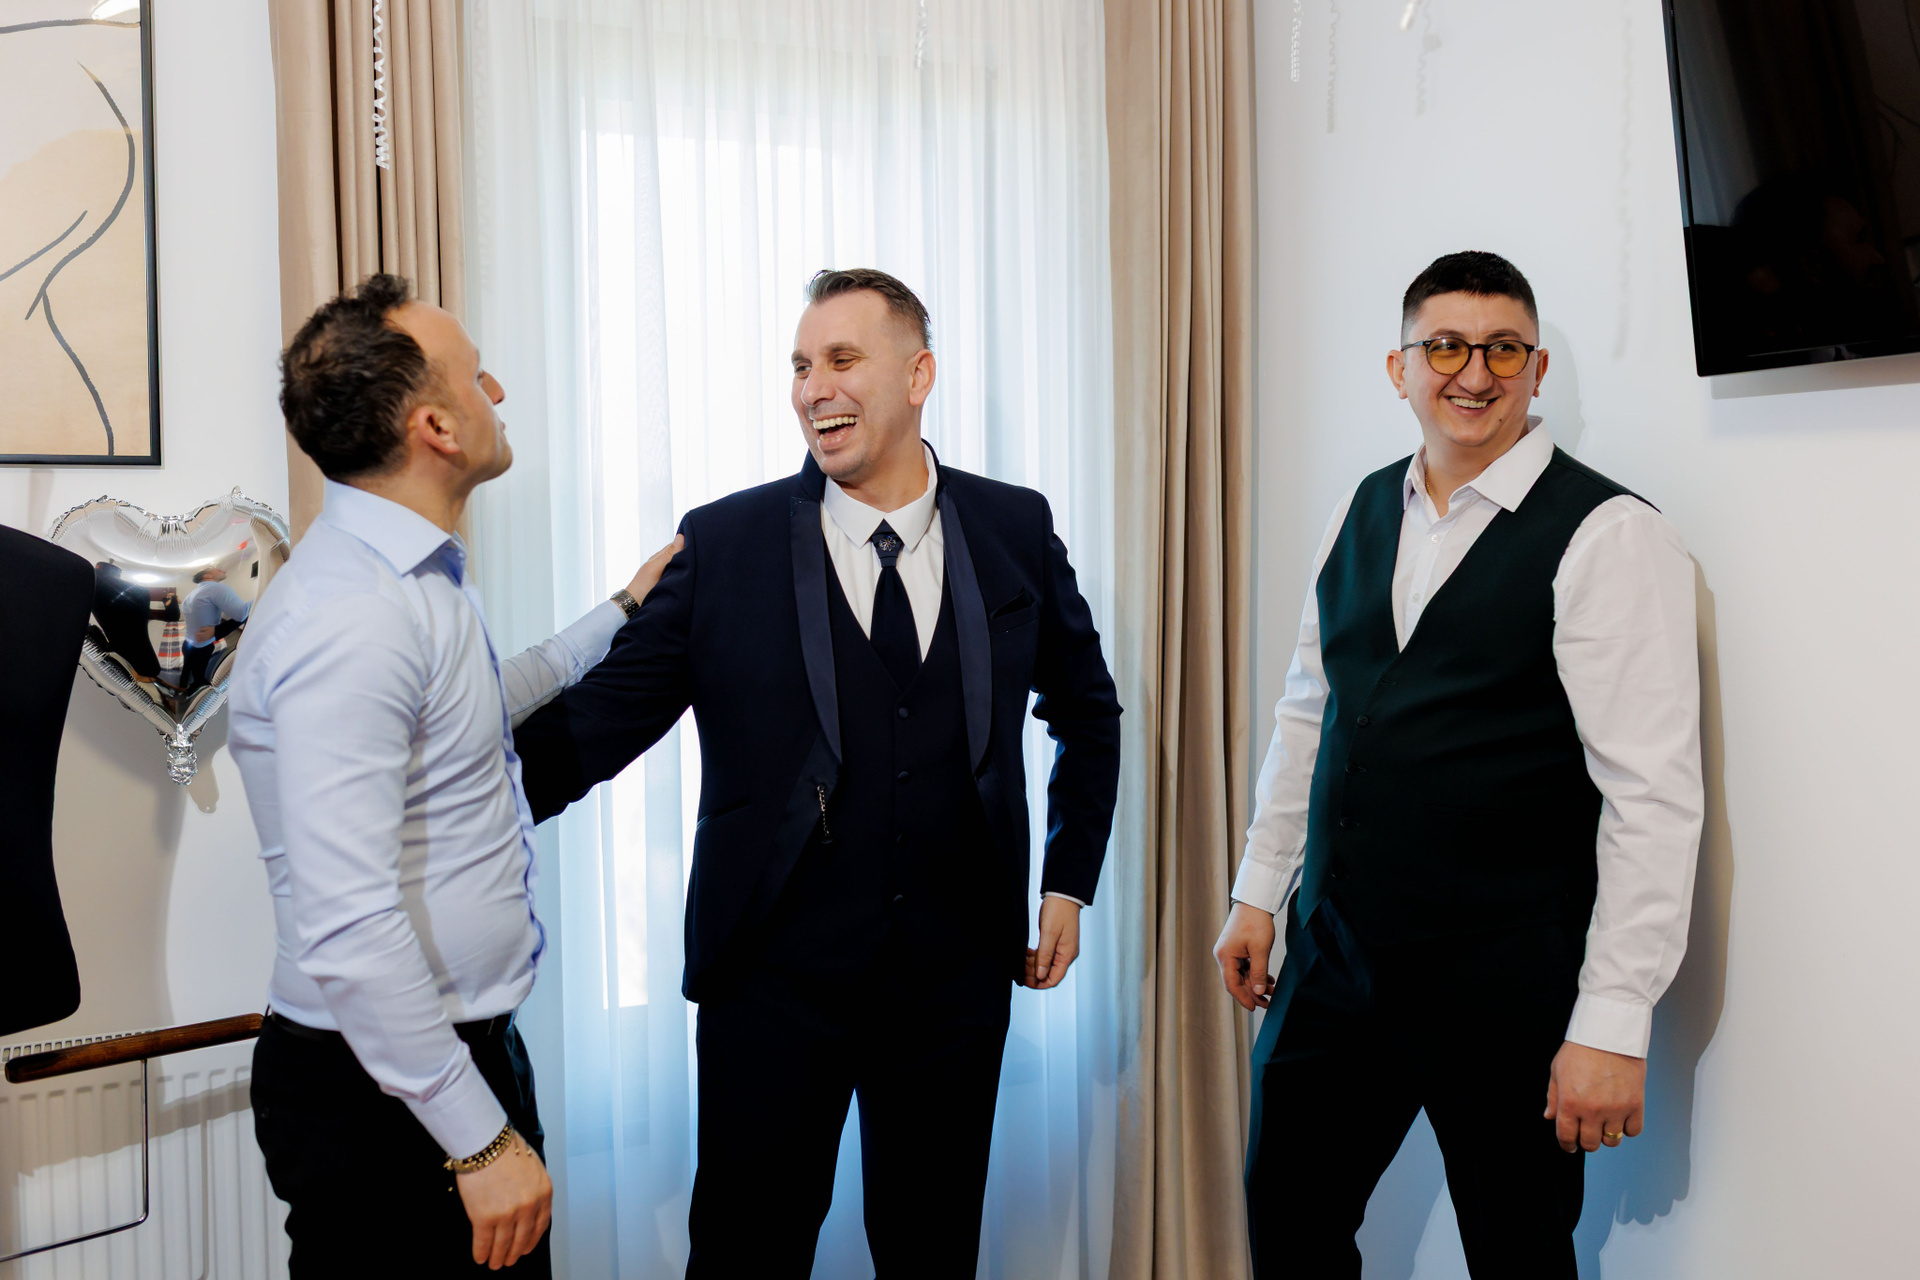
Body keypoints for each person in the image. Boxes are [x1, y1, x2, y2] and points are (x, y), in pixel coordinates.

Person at [513, 267, 1122, 1277]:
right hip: (770, 982)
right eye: (800, 366)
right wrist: (441, 811)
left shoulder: (1014, 527)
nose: (813, 388)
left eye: (841, 359)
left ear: (918, 375)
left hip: (954, 983)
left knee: (932, 1256)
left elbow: (1088, 710)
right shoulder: (726, 542)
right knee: (745, 1255)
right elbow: (594, 729)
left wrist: (1068, 879)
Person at [1213, 251, 1704, 1277]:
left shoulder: (1610, 534)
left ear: (1538, 368)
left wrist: (1613, 1022)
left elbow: (1652, 799)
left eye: (1503, 349)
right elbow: (1311, 711)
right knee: (1286, 1215)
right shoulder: (1361, 507)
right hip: (1337, 954)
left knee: (1518, 1254)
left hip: (1504, 984)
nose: (1474, 373)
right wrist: (1260, 890)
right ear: (1400, 368)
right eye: (1444, 346)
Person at [230, 273, 677, 1276]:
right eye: (478, 376)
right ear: (434, 425)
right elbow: (348, 919)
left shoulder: (403, 581)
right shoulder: (353, 614)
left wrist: (619, 612)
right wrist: (475, 1136)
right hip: (386, 1090)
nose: (498, 391)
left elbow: (472, 704)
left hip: (443, 1056)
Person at [179, 565, 250, 689]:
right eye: (218, 569)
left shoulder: (192, 594)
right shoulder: (216, 588)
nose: (223, 569)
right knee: (199, 678)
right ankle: (195, 694)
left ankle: (181, 687)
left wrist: (216, 631)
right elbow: (242, 614)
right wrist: (259, 596)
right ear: (207, 575)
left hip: (187, 643)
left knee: (187, 668)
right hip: (201, 647)